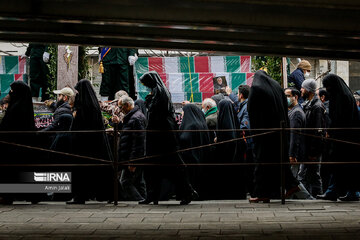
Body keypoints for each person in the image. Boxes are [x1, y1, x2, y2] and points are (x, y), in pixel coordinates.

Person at [139, 71, 197, 205]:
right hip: (162, 136)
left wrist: (149, 103)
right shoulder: (159, 91)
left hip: (162, 138)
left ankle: (185, 193)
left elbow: (157, 113)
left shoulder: (160, 93)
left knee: (170, 167)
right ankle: (155, 195)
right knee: (162, 168)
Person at [248, 70, 300, 203]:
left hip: (264, 133)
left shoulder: (256, 88)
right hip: (279, 132)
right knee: (278, 160)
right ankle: (290, 185)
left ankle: (263, 193)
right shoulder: (276, 86)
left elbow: (252, 111)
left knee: (262, 162)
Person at [66, 79, 113, 204]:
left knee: (81, 172)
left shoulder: (83, 107)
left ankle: (80, 196)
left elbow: (78, 126)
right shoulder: (92, 106)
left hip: (82, 145)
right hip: (93, 145)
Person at [317, 74, 360, 201]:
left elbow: (339, 119)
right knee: (342, 165)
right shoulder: (343, 95)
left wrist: (331, 130)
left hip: (343, 139)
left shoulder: (343, 97)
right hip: (346, 138)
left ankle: (337, 191)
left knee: (340, 165)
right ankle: (340, 191)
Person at [0, 81, 36, 204]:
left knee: (11, 172)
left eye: (12, 91)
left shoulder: (16, 108)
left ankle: (8, 195)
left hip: (13, 147)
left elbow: (7, 127)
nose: (10, 93)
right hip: (22, 147)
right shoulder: (24, 107)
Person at [116, 96, 147, 201]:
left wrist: (133, 162)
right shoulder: (133, 117)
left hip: (133, 157)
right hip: (132, 156)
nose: (120, 110)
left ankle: (140, 200)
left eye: (121, 107)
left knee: (125, 181)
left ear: (127, 105)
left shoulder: (135, 118)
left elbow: (138, 142)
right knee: (139, 182)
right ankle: (145, 200)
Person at [299, 79, 325, 197]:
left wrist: (314, 151)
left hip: (312, 148)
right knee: (306, 173)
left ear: (308, 90)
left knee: (314, 173)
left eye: (303, 88)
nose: (301, 90)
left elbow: (318, 130)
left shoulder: (317, 106)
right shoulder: (308, 104)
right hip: (308, 147)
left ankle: (316, 195)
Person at [179, 104, 211, 199]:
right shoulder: (201, 123)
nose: (182, 113)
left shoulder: (190, 125)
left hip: (191, 159)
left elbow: (184, 138)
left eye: (183, 111)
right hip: (202, 157)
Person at [228, 85, 254, 194]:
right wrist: (230, 94)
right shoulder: (244, 104)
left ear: (241, 95)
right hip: (248, 143)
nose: (237, 96)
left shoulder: (247, 106)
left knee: (249, 168)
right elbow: (238, 103)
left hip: (248, 143)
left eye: (238, 94)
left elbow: (245, 126)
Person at [284, 88, 306, 178]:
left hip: (295, 155)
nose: (286, 98)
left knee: (293, 180)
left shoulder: (296, 113)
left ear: (296, 97)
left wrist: (292, 155)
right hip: (294, 153)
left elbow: (295, 135)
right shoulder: (292, 111)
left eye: (288, 96)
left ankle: (305, 193)